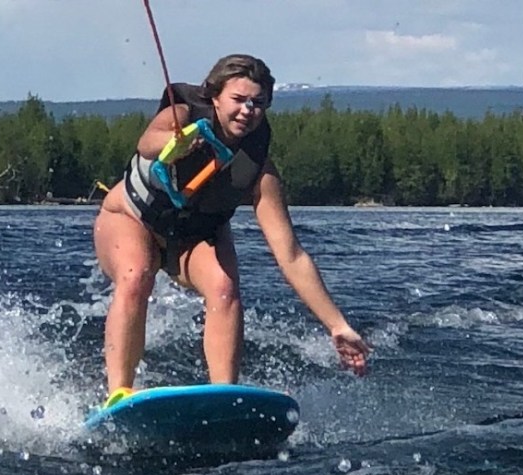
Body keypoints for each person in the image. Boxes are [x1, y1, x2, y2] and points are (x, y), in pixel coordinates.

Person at [93, 53, 370, 398]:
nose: (247, 110)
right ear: (215, 96)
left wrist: (337, 326)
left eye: (258, 103)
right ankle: (118, 393)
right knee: (137, 276)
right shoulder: (182, 114)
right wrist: (173, 144)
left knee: (225, 289)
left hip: (193, 237)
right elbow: (147, 142)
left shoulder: (259, 171)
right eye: (238, 99)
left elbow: (292, 256)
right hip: (131, 218)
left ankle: (223, 397)